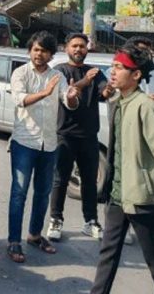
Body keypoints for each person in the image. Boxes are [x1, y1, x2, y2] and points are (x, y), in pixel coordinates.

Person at [90, 44, 154, 294]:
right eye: (112, 66)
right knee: (107, 255)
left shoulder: (146, 106)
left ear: (136, 75)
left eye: (119, 67)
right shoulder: (118, 101)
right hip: (117, 194)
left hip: (140, 197)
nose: (113, 72)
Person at [6, 31, 79, 263]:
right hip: (24, 142)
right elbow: (20, 99)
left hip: (49, 144)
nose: (39, 54)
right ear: (30, 50)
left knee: (43, 192)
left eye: (44, 51)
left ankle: (35, 235)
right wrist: (45, 92)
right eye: (36, 49)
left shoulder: (57, 75)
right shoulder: (20, 73)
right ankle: (13, 241)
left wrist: (73, 96)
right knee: (19, 193)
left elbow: (69, 101)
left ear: (51, 54)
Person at [47, 33, 111, 242]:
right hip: (65, 134)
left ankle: (90, 221)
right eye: (74, 46)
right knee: (60, 180)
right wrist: (85, 81)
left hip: (89, 135)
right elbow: (68, 92)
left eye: (82, 46)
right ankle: (56, 219)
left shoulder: (95, 73)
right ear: (66, 48)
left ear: (87, 49)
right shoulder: (59, 71)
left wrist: (110, 88)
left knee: (89, 181)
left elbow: (104, 92)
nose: (78, 49)